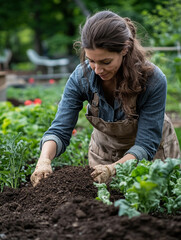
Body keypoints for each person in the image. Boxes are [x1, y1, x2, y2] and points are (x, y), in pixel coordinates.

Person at [30, 10, 180, 187]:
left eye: (106, 62)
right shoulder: (81, 77)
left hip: (149, 156)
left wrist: (113, 169)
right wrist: (44, 160)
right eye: (91, 60)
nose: (97, 69)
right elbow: (60, 129)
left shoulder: (153, 80)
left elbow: (146, 145)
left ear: (124, 49)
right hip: (104, 153)